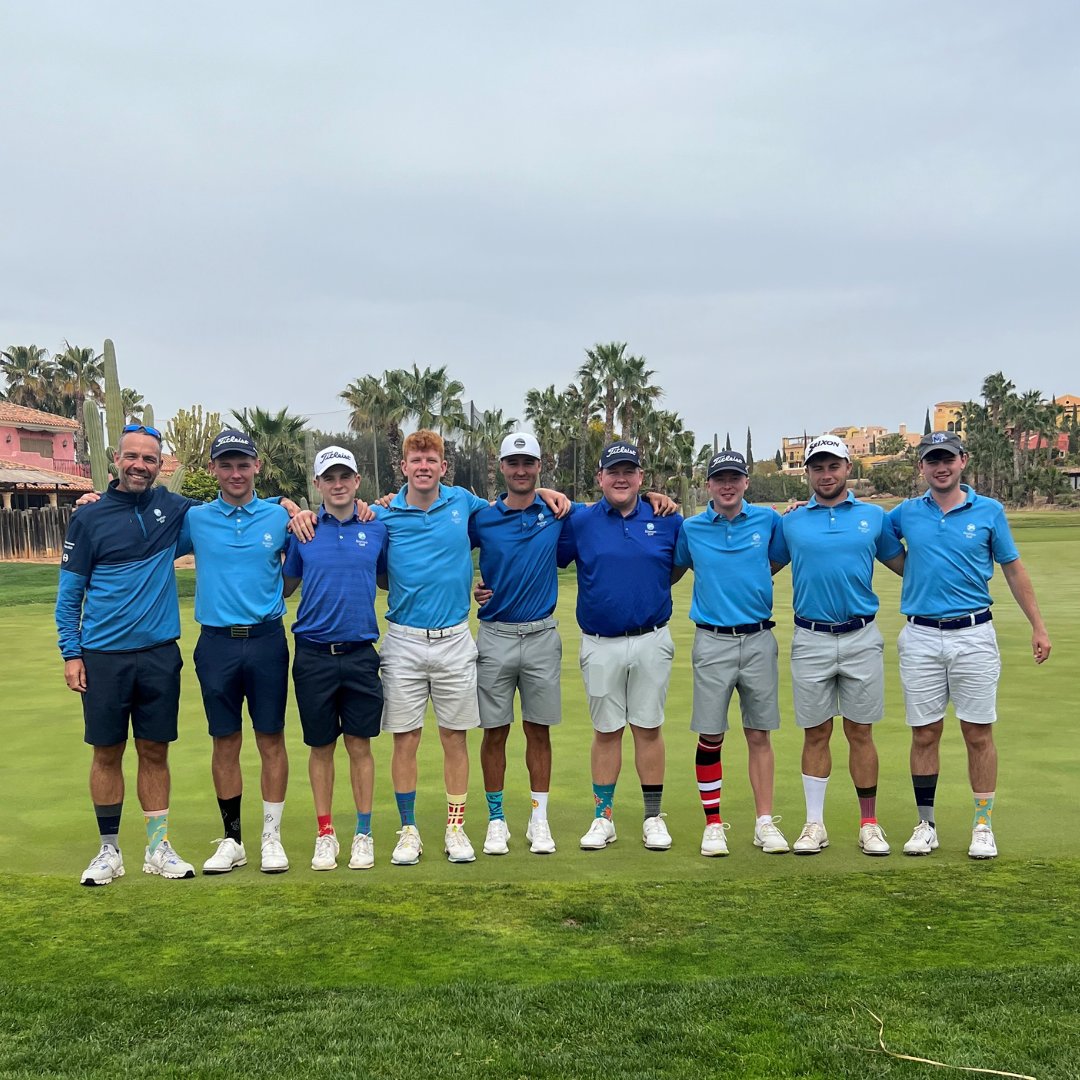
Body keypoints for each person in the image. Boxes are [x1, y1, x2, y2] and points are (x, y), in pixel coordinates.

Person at [888, 431, 1051, 860]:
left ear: (963, 460)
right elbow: (872, 540)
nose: (940, 467)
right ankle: (926, 824)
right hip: (921, 634)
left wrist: (1038, 626)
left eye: (947, 459)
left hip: (974, 634)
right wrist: (915, 573)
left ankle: (983, 824)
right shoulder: (905, 513)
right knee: (924, 733)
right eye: (931, 460)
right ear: (921, 467)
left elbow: (1013, 570)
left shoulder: (990, 511)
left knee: (978, 732)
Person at [56, 423, 196, 886]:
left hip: (158, 653)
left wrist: (287, 504)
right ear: (117, 458)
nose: (140, 465)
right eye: (132, 456)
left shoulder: (175, 509)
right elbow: (69, 593)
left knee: (155, 750)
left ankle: (157, 847)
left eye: (150, 459)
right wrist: (71, 653)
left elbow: (230, 511)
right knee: (107, 752)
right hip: (103, 656)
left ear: (161, 465)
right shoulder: (88, 517)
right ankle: (109, 850)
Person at [774, 433, 905, 856]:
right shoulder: (791, 522)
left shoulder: (874, 517)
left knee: (860, 732)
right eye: (817, 467)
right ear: (807, 473)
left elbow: (905, 565)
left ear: (849, 468)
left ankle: (869, 823)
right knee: (816, 733)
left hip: (861, 636)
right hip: (810, 637)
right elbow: (765, 566)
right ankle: (815, 824)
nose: (826, 474)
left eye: (833, 466)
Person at [557, 441, 684, 852]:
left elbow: (677, 567)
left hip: (651, 638)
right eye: (613, 471)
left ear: (641, 478)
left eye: (629, 470)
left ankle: (651, 818)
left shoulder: (666, 518)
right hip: (600, 643)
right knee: (606, 732)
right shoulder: (579, 521)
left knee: (648, 728)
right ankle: (603, 818)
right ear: (600, 478)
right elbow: (541, 554)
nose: (621, 478)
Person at [179, 430, 294, 875]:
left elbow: (297, 569)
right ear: (213, 471)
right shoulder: (196, 519)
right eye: (225, 465)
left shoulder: (279, 517)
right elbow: (147, 536)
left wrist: (272, 597)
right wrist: (96, 502)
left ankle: (271, 837)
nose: (235, 473)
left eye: (242, 464)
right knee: (224, 741)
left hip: (266, 641)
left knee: (271, 739)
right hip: (216, 644)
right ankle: (233, 840)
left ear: (257, 467)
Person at [674, 450, 790, 857]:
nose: (727, 485)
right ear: (708, 485)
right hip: (712, 640)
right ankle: (712, 824)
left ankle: (763, 822)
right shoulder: (691, 529)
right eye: (719, 478)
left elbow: (773, 561)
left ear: (746, 483)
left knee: (760, 733)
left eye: (735, 478)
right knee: (710, 735)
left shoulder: (768, 521)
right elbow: (674, 569)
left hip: (759, 639)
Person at [282, 447, 388, 871]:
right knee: (321, 746)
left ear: (358, 481)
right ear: (318, 484)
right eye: (330, 477)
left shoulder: (376, 527)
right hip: (313, 654)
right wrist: (289, 511)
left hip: (361, 653)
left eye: (346, 476)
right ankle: (325, 833)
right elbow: (286, 587)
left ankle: (363, 833)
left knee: (360, 746)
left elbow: (386, 578)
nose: (338, 483)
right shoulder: (302, 531)